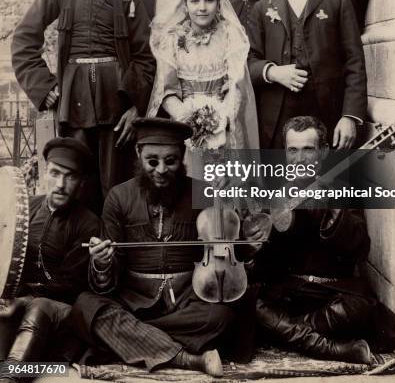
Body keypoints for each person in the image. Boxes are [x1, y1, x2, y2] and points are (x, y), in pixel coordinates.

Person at [70, 118, 261, 377]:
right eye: (152, 161)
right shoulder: (118, 196)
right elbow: (108, 283)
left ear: (182, 157)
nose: (161, 169)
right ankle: (189, 358)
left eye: (170, 161)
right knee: (85, 305)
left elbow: (227, 251)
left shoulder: (202, 192)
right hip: (134, 300)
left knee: (222, 315)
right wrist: (102, 263)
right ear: (138, 154)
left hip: (188, 299)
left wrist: (233, 212)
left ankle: (134, 338)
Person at [12, 0, 156, 210]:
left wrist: (135, 105)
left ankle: (114, 252)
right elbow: (24, 39)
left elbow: (145, 53)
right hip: (72, 100)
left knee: (117, 186)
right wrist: (43, 85)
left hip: (116, 101)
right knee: (76, 184)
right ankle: (78, 251)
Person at [254, 115, 389, 365]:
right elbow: (265, 264)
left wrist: (327, 205)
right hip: (290, 294)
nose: (300, 159)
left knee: (360, 309)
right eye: (292, 150)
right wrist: (256, 246)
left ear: (323, 152)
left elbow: (359, 249)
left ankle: (290, 332)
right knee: (246, 300)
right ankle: (331, 348)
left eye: (308, 149)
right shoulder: (275, 194)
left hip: (330, 294)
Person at [247, 0, 367, 149]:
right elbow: (248, 61)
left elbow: (355, 63)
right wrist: (272, 72)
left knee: (328, 183)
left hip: (328, 115)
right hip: (276, 121)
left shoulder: (337, 0)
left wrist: (350, 115)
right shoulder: (263, 7)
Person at [0, 138, 100, 376]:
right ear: (45, 172)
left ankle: (11, 376)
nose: (61, 184)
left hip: (60, 312)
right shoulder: (26, 208)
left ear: (82, 183)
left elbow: (70, 286)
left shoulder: (88, 223)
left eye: (71, 176)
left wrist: (25, 298)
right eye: (55, 173)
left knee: (38, 306)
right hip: (19, 301)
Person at [148, 0, 259, 158]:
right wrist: (188, 119)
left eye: (209, 0)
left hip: (224, 122)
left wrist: (221, 117)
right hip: (186, 125)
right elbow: (167, 91)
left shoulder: (229, 34)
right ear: (185, 4)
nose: (202, 7)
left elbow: (237, 84)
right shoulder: (173, 39)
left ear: (218, 3)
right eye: (195, 1)